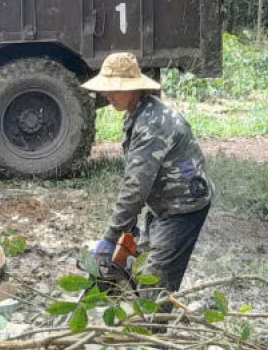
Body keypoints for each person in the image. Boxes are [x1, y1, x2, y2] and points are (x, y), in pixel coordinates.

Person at [83, 52, 212, 298]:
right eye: (106, 89)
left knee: (154, 284)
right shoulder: (138, 114)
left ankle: (151, 329)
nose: (108, 95)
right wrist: (126, 229)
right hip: (164, 201)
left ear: (134, 89)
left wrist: (111, 236)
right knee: (135, 265)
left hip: (183, 207)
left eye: (115, 89)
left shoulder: (153, 123)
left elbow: (136, 186)